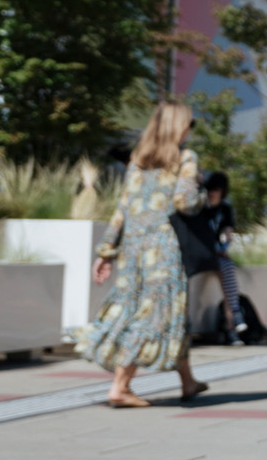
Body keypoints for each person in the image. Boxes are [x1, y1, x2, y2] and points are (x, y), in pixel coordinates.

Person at [78, 102, 209, 407]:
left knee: (160, 310)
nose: (191, 130)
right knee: (153, 314)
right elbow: (185, 202)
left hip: (134, 250)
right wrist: (201, 192)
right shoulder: (185, 158)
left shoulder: (138, 160)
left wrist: (106, 252)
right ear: (179, 127)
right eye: (190, 124)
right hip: (164, 248)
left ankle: (188, 382)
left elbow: (123, 208)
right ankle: (120, 387)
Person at [173, 171, 248, 344]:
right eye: (210, 190)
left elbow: (227, 234)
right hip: (197, 252)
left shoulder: (225, 209)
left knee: (227, 269)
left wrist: (223, 247)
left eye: (216, 190)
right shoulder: (200, 206)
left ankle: (232, 321)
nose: (212, 193)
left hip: (214, 253)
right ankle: (232, 319)